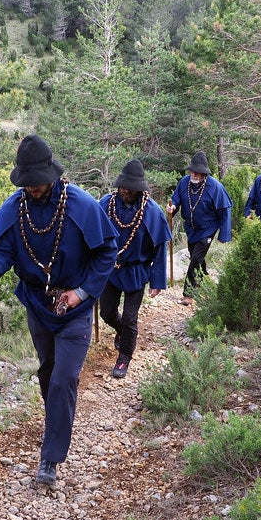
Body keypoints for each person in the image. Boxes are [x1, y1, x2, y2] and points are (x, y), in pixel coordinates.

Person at [0, 134, 117, 487]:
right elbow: (3, 250)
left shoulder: (80, 204)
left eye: (37, 182)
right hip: (38, 304)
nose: (33, 188)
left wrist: (81, 294)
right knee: (48, 373)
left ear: (51, 174)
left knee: (65, 377)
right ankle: (56, 422)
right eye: (27, 182)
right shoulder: (15, 206)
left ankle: (50, 459)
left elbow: (106, 251)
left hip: (74, 307)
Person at [97, 159, 172, 379]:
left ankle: (124, 357)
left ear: (139, 188)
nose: (125, 190)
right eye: (123, 186)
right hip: (110, 270)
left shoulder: (151, 212)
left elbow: (159, 248)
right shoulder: (105, 204)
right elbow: (91, 237)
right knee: (106, 313)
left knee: (131, 318)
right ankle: (121, 331)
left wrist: (157, 282)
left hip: (136, 272)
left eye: (130, 188)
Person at [166, 151, 232, 305]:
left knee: (195, 258)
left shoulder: (216, 187)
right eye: (191, 171)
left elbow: (224, 210)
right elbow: (176, 198)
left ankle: (188, 294)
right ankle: (203, 280)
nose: (193, 174)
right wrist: (173, 207)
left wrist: (224, 235)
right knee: (196, 256)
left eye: (197, 172)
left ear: (204, 174)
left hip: (208, 228)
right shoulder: (184, 182)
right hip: (191, 228)